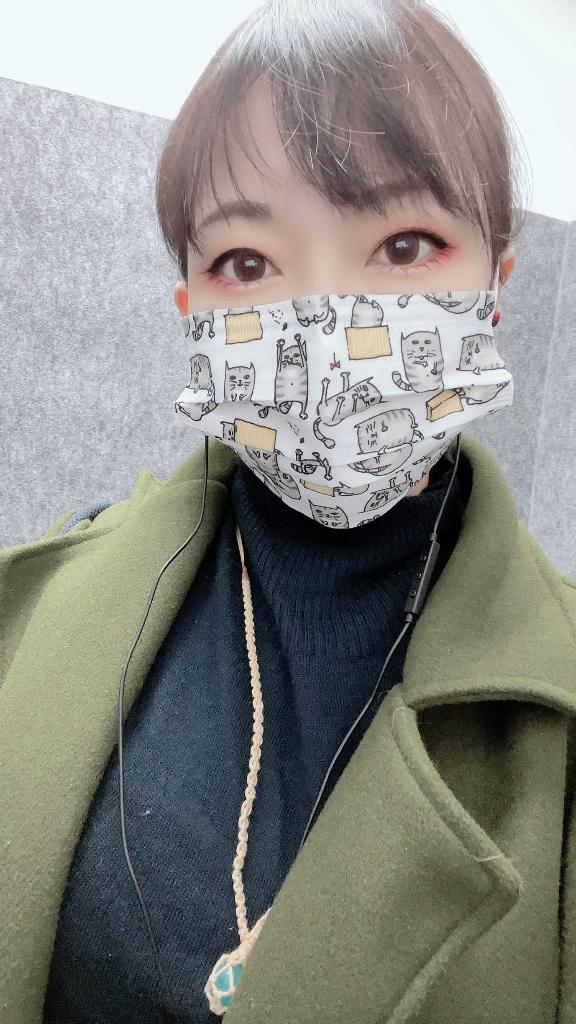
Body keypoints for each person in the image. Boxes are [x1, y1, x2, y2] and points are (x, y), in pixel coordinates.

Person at [1, 1, 575, 1022]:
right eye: (247, 264)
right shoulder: (29, 611)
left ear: (497, 284)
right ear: (191, 307)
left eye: (405, 244)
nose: (327, 322)